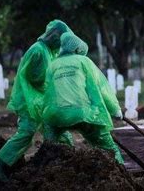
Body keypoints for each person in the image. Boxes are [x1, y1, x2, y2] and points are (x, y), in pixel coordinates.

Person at [0, 20, 74, 181]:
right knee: (26, 132)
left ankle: (61, 165)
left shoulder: (47, 51)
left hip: (38, 101)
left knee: (56, 130)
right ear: (54, 37)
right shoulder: (38, 51)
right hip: (29, 101)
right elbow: (36, 78)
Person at [41, 32, 124, 164]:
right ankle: (121, 171)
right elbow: (100, 88)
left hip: (56, 115)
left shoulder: (53, 65)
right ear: (76, 49)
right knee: (108, 148)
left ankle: (48, 164)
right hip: (83, 113)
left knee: (50, 146)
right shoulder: (84, 61)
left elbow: (48, 93)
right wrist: (115, 109)